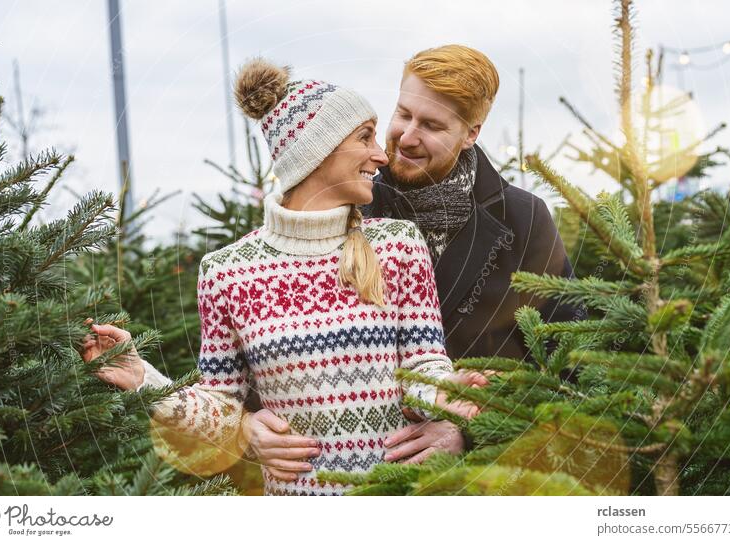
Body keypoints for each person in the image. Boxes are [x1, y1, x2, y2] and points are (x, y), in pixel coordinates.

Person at [81, 58, 485, 496]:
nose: (381, 155)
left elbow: (422, 368)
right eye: (364, 138)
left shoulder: (398, 245)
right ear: (318, 151)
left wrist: (447, 392)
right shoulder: (226, 273)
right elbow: (222, 405)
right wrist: (145, 378)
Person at [361, 44, 583, 462]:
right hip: (357, 473)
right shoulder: (351, 203)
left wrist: (475, 430)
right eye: (404, 113)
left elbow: (572, 361)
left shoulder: (524, 219)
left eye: (431, 125)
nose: (407, 137)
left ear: (471, 133)